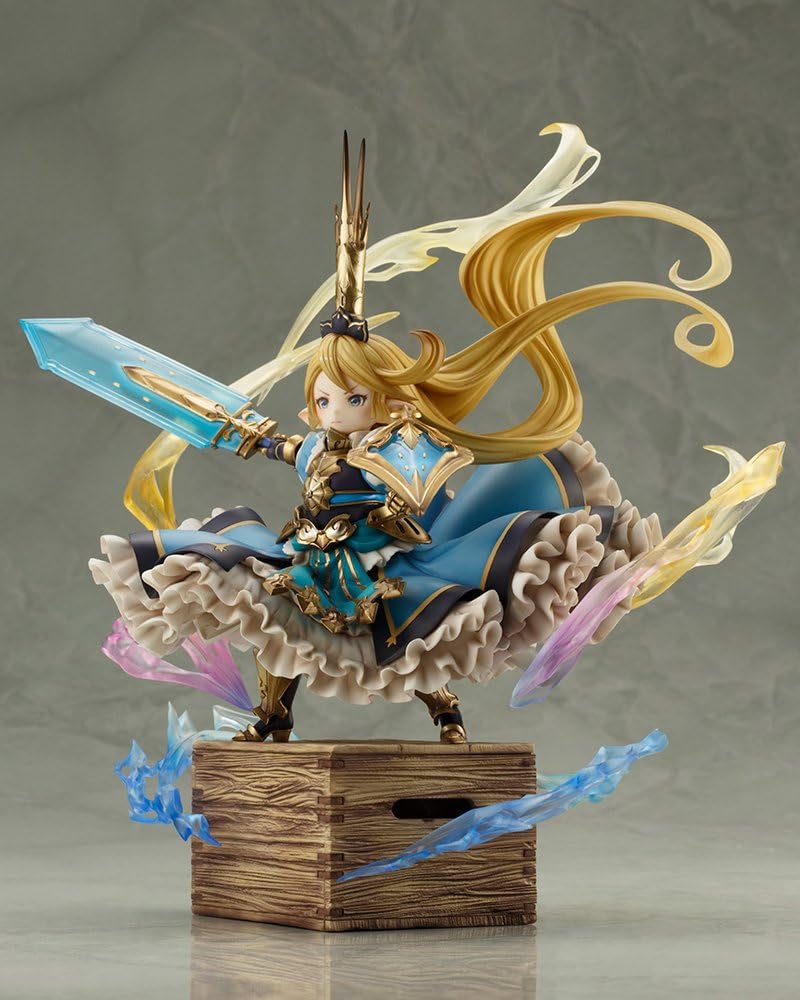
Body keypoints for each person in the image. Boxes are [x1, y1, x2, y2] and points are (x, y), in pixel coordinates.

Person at [89, 134, 734, 743]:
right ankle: (273, 717)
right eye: (323, 399)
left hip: (378, 563)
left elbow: (417, 497)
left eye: (353, 399)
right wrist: (252, 438)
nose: (335, 411)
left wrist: (385, 505)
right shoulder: (314, 445)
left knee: (416, 640)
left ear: (387, 401)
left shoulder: (397, 445)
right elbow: (289, 450)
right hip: (309, 556)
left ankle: (446, 711)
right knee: (274, 627)